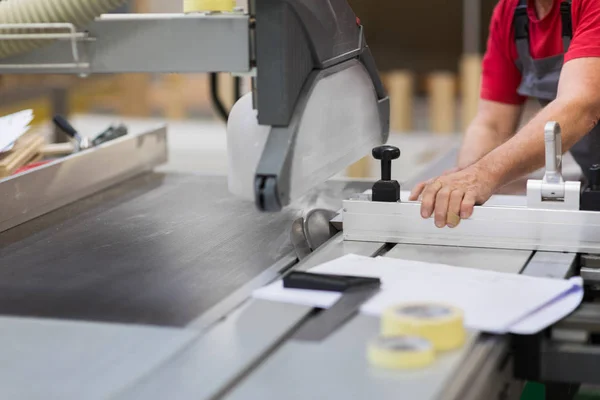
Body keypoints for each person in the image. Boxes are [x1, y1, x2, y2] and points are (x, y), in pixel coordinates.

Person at [409, 0, 600, 228]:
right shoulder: (511, 12)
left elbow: (580, 106)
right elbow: (492, 124)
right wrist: (463, 179)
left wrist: (482, 176)